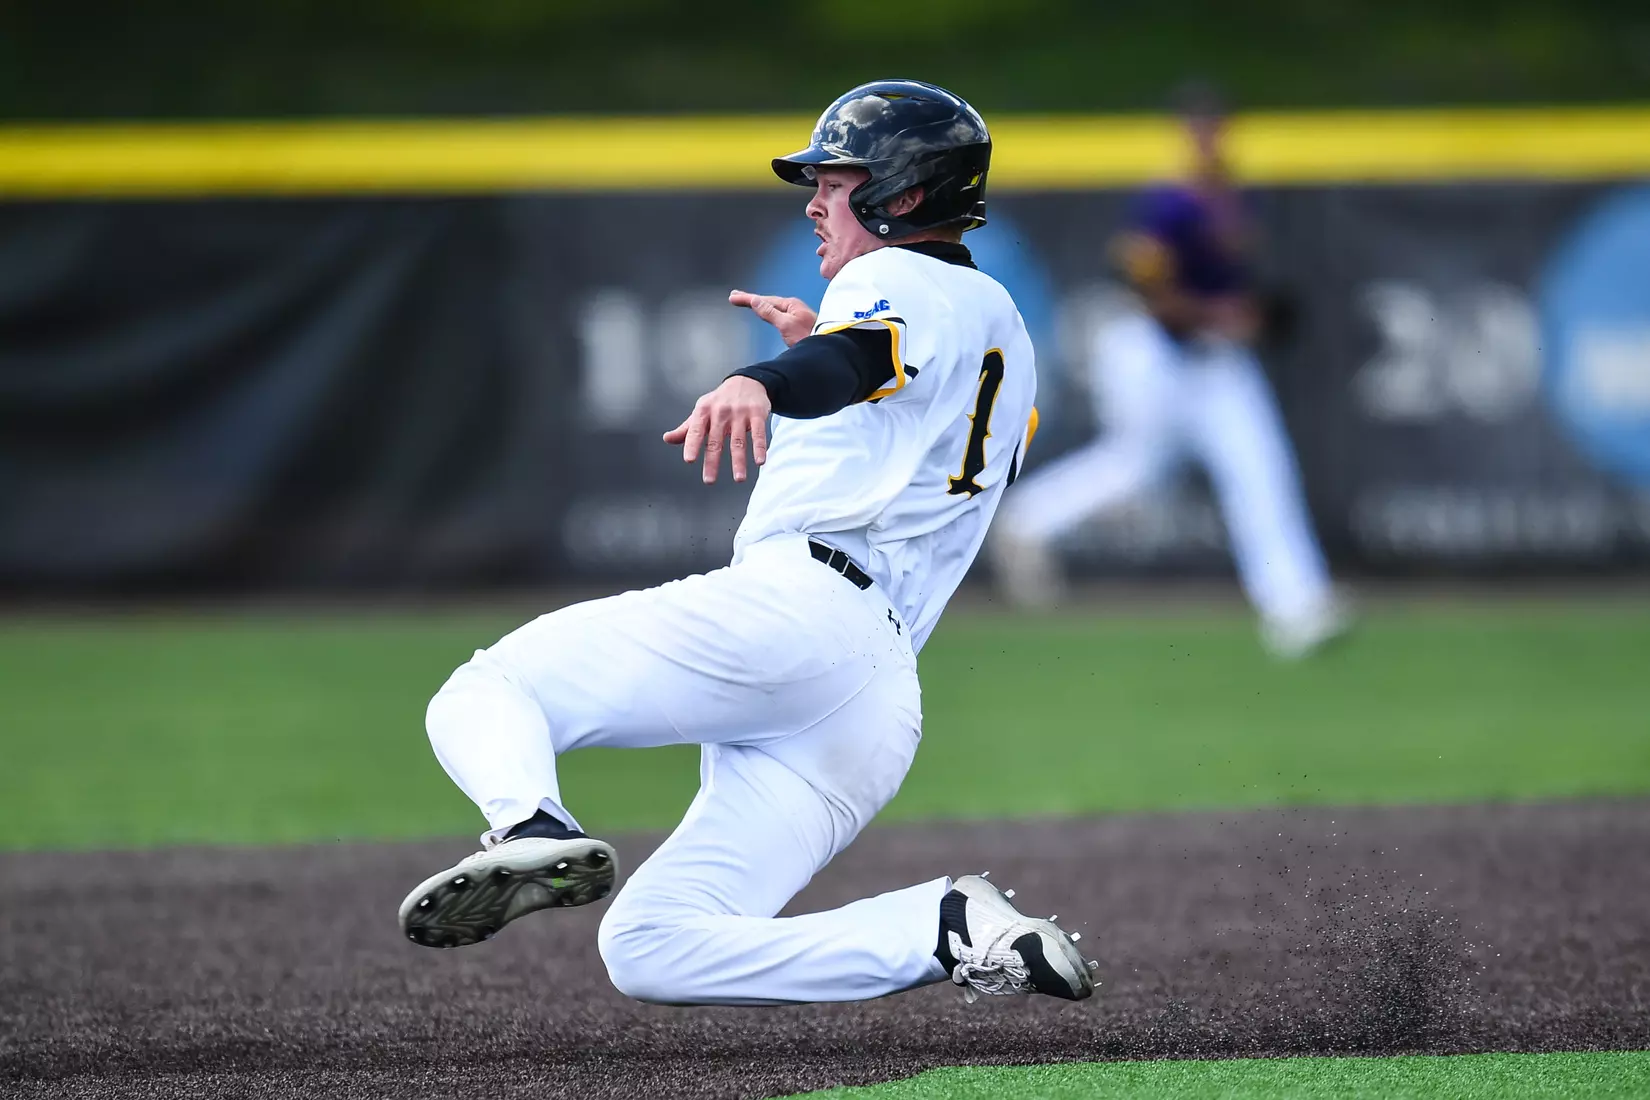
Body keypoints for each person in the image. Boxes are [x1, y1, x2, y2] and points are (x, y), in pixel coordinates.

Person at [397, 79, 1096, 1008]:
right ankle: (941, 928)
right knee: (650, 946)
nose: (813, 200)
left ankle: (529, 823)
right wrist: (825, 361)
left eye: (837, 180)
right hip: (874, 699)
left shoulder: (892, 278)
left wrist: (765, 378)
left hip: (803, 615)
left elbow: (853, 362)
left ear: (906, 193)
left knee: (489, 689)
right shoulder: (1002, 331)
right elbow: (909, 428)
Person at [990, 84, 1349, 659]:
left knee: (1260, 469)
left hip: (1217, 361)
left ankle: (1297, 609)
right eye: (1200, 129)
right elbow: (1146, 289)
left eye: (1218, 128)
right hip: (1155, 352)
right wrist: (1225, 313)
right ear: (1185, 135)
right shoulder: (1168, 203)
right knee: (1135, 467)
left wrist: (1240, 316)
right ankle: (1027, 522)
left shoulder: (1236, 198)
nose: (1210, 139)